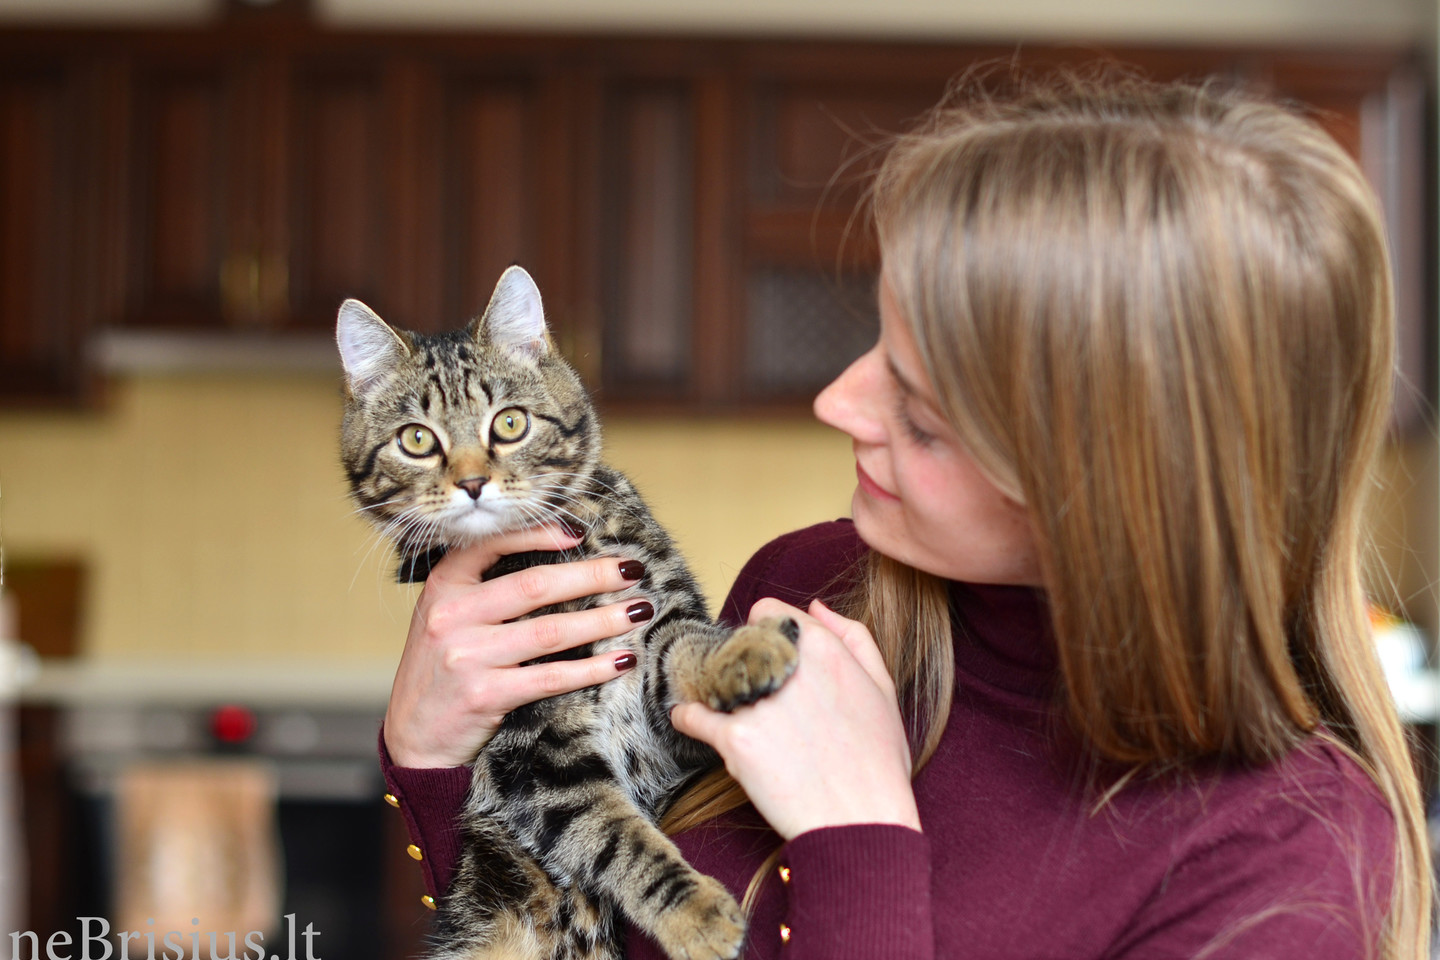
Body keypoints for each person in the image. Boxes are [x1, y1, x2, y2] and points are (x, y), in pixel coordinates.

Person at [377, 73, 1432, 960]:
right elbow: (574, 913)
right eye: (875, 338)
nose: (838, 403)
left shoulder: (1287, 865)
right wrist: (430, 758)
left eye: (921, 415)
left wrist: (859, 842)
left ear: (1109, 487)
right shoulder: (803, 596)